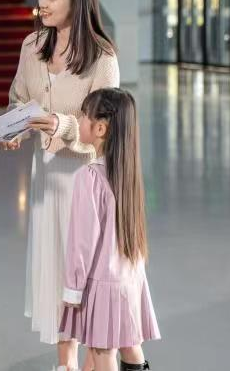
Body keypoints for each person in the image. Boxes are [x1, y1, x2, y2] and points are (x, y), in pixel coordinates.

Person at [0, 0, 120, 370]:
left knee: (87, 277)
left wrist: (59, 125)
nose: (42, 3)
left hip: (86, 182)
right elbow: (19, 99)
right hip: (47, 178)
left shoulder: (102, 58)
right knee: (55, 275)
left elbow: (104, 130)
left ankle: (98, 360)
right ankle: (65, 364)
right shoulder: (32, 46)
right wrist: (14, 130)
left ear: (76, 1)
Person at [60, 88, 160, 371]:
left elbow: (82, 242)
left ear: (100, 128)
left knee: (103, 351)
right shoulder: (128, 175)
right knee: (130, 344)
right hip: (130, 277)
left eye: (84, 116)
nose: (79, 120)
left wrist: (73, 289)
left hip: (102, 283)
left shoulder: (89, 177)